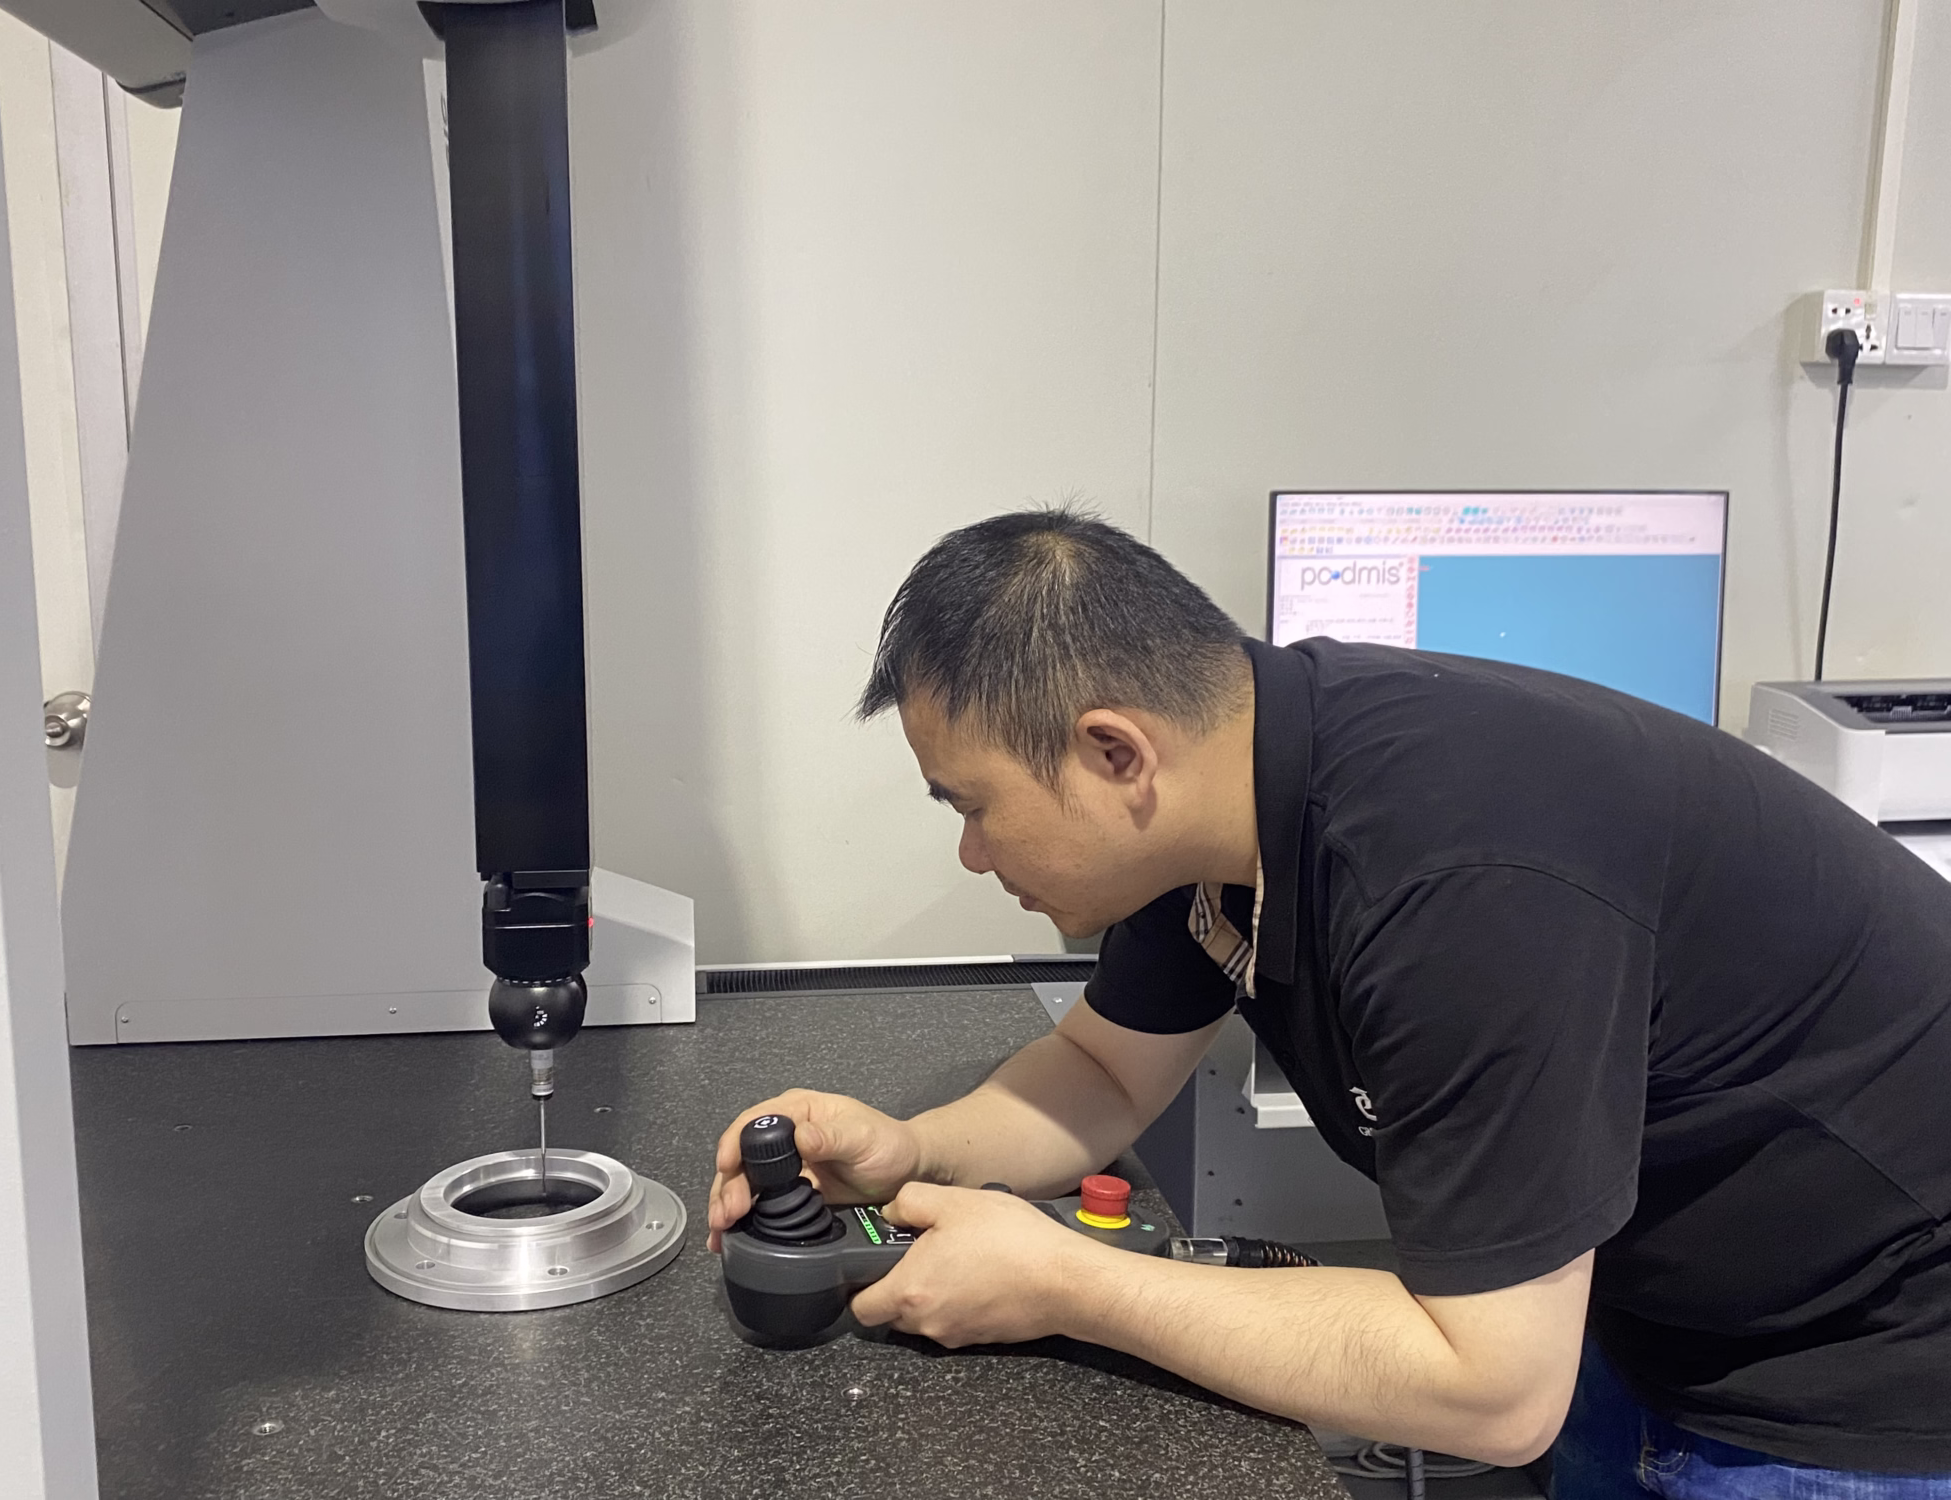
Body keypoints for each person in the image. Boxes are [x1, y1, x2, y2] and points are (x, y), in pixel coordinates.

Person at [707, 509, 1951, 1498]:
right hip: (1648, 1310)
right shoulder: (1227, 791)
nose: (972, 855)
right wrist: (911, 1149)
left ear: (1114, 753)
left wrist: (1064, 1283)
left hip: (1870, 1363)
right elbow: (1101, 1074)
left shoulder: (1455, 881)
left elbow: (1490, 1391)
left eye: (973, 806)